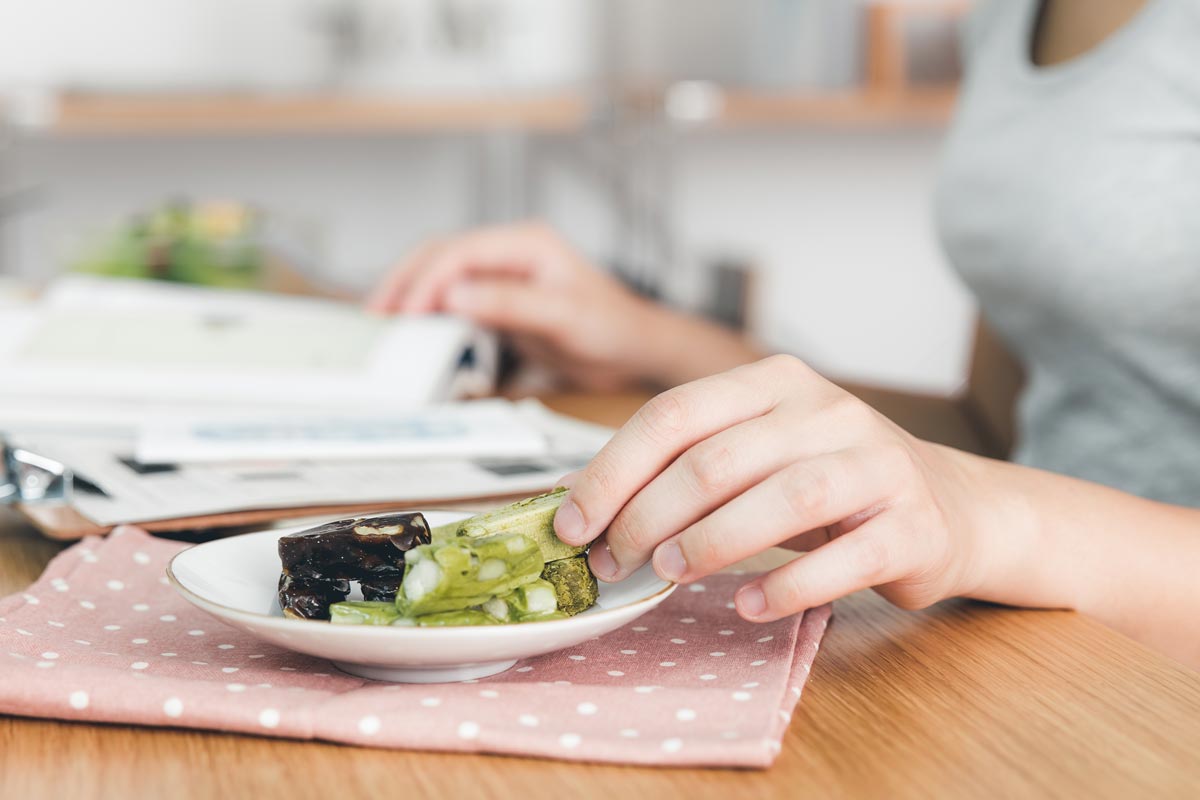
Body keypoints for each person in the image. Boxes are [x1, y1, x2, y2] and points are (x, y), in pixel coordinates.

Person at [369, 0, 1200, 668]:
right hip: (1041, 648)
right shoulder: (1010, 16)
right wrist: (654, 343)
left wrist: (992, 520)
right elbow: (990, 438)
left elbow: (987, 493)